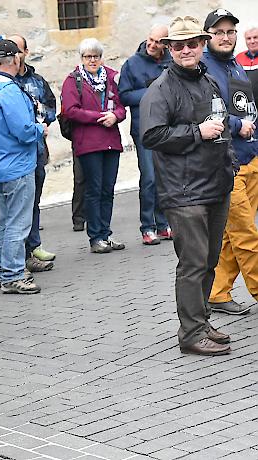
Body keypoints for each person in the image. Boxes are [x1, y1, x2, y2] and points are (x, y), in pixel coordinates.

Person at [141, 15, 234, 356]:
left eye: (191, 44)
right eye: (178, 45)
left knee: (209, 261)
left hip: (214, 185)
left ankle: (202, 320)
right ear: (169, 49)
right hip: (184, 193)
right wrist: (197, 132)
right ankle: (191, 333)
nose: (185, 50)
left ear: (201, 45)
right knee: (193, 263)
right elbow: (151, 135)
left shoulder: (206, 79)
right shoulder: (161, 88)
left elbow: (219, 121)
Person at [201, 9, 258, 315]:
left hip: (251, 158)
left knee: (230, 236)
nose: (225, 37)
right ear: (207, 35)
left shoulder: (235, 65)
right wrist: (238, 126)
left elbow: (246, 106)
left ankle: (217, 292)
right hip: (227, 164)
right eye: (219, 32)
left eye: (230, 32)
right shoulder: (203, 69)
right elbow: (205, 112)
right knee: (246, 232)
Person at [0, 39, 43, 293]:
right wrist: (41, 128)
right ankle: (12, 275)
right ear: (16, 60)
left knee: (7, 221)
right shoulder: (10, 91)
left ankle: (5, 269)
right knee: (18, 222)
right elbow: (24, 131)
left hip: (1, 162)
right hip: (17, 163)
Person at [60, 38, 126, 254]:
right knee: (93, 189)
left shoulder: (111, 76)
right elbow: (70, 110)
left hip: (110, 141)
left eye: (96, 56)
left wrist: (114, 116)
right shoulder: (73, 80)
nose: (93, 60)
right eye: (88, 57)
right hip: (88, 142)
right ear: (82, 58)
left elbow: (121, 106)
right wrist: (98, 116)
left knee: (108, 190)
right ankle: (95, 236)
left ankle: (106, 233)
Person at [119, 24, 173, 245]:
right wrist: (152, 91)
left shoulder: (171, 61)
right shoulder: (132, 64)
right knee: (149, 178)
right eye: (150, 39)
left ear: (166, 44)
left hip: (169, 128)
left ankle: (163, 225)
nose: (152, 44)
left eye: (158, 41)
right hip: (145, 129)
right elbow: (124, 96)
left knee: (164, 178)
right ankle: (147, 227)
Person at [9, 33, 57, 270]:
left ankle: (34, 244)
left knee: (34, 201)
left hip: (37, 150)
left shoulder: (37, 81)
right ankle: (19, 256)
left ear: (26, 52)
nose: (14, 54)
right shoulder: (3, 83)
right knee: (17, 207)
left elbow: (51, 107)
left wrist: (42, 116)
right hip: (15, 154)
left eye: (17, 49)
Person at [236, 26, 258, 103]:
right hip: (247, 106)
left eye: (255, 37)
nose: (252, 41)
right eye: (248, 38)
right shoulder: (238, 58)